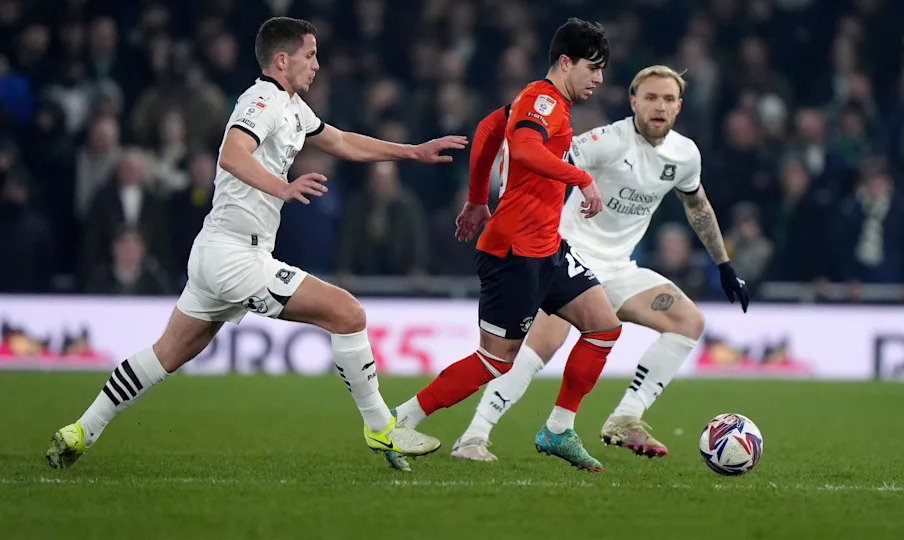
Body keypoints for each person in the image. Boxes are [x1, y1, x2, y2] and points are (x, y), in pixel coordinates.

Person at [45, 17, 467, 473]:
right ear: (282, 60)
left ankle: (81, 431)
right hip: (235, 256)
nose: (317, 65)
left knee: (166, 354)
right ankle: (382, 427)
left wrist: (411, 151)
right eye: (310, 55)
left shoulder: (293, 106)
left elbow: (342, 141)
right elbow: (231, 154)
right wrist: (282, 187)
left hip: (218, 251)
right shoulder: (261, 101)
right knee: (348, 314)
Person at [450, 66, 749, 462]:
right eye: (651, 97)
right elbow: (539, 160)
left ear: (679, 106)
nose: (659, 107)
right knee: (542, 345)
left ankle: (625, 417)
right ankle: (473, 436)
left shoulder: (685, 154)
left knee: (687, 321)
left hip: (618, 268)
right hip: (567, 255)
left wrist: (724, 265)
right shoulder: (606, 142)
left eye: (668, 99)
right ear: (634, 102)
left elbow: (697, 206)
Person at [390, 18, 619, 472]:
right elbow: (526, 148)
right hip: (514, 252)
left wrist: (478, 199)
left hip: (547, 247)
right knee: (494, 362)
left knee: (603, 327)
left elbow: (487, 130)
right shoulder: (542, 101)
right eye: (592, 67)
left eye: (602, 70)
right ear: (565, 62)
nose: (598, 79)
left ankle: (558, 430)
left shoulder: (535, 99)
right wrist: (581, 177)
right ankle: (399, 421)